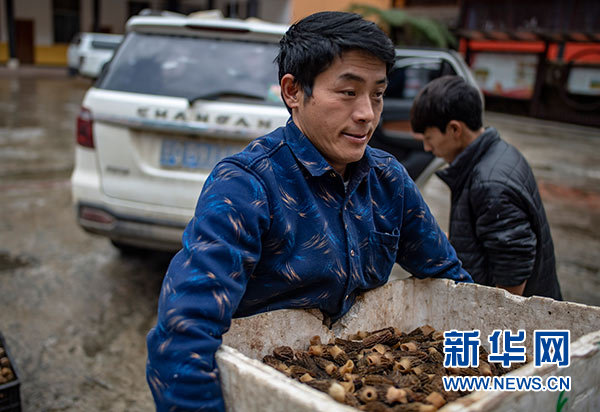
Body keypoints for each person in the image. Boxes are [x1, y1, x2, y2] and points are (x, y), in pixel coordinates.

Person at [146, 12, 472, 411]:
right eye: (348, 92)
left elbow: (450, 283)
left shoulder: (389, 180)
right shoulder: (246, 187)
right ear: (293, 92)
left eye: (377, 94)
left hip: (354, 387)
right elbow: (183, 337)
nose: (367, 114)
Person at [410, 75, 562, 300]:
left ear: (454, 129)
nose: (426, 147)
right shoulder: (498, 152)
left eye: (429, 137)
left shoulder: (490, 185)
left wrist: (494, 317)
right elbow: (491, 237)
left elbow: (512, 274)